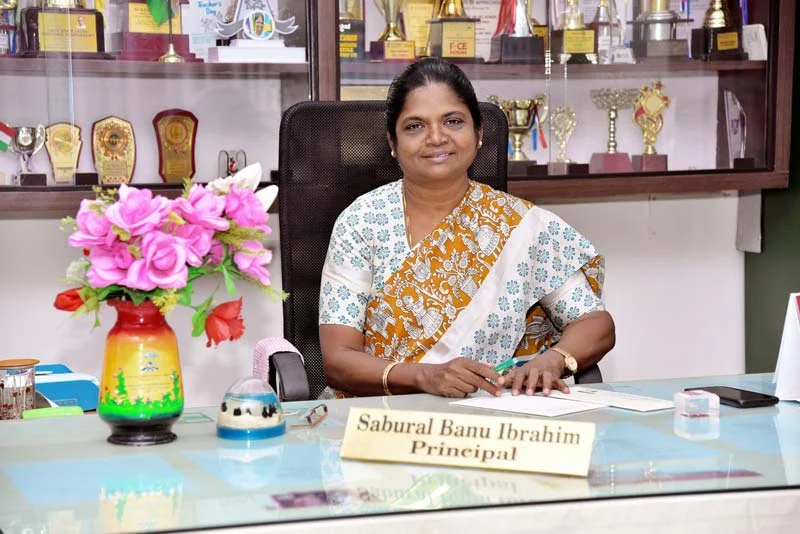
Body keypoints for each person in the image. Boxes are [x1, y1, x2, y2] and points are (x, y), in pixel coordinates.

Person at [319, 58, 615, 399]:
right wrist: (424, 376)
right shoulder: (361, 222)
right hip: (382, 416)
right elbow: (338, 359)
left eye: (453, 121)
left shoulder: (521, 226)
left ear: (479, 133)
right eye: (415, 126)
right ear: (393, 142)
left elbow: (595, 323)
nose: (436, 138)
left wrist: (553, 360)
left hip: (490, 416)